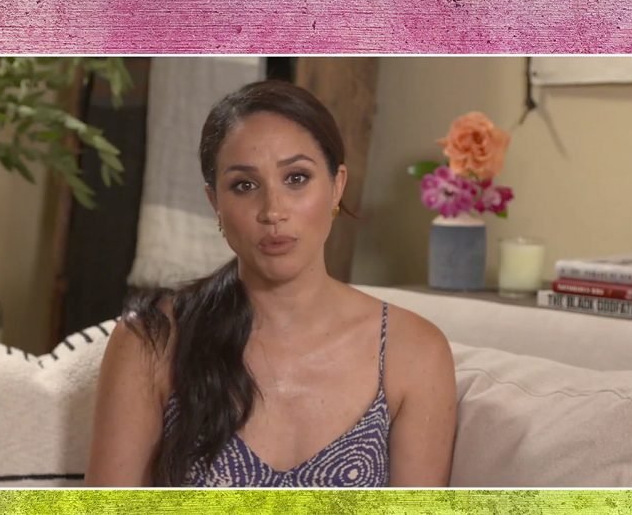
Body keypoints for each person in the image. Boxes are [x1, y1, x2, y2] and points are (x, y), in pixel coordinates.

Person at [84, 80, 457, 487]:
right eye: (244, 185)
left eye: (296, 178)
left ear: (337, 186)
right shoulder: (151, 342)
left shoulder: (414, 354)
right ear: (215, 203)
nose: (273, 211)